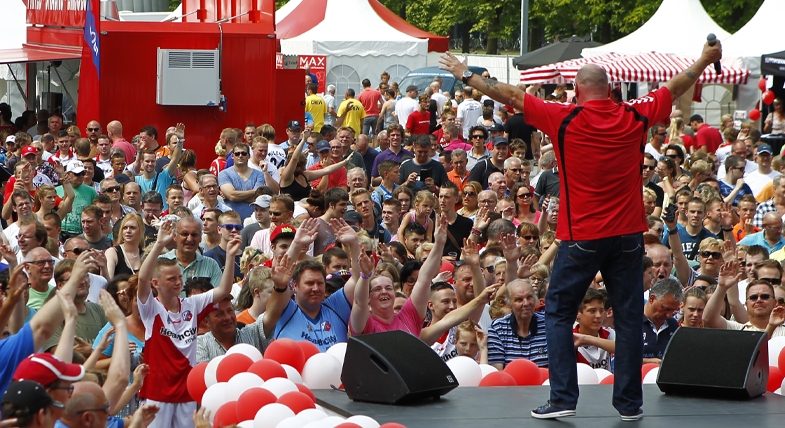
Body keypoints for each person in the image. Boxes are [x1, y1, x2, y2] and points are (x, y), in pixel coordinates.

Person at [441, 39, 722, 421]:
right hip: (627, 236)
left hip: (582, 236)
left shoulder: (566, 117)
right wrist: (704, 59)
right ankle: (629, 404)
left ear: (576, 92)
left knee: (557, 312)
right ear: (610, 90)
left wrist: (464, 73)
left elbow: (509, 93)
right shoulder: (634, 115)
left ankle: (562, 398)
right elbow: (674, 86)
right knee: (626, 317)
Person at [136, 219, 239, 428]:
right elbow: (142, 278)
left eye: (179, 278)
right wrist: (158, 245)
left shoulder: (192, 304)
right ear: (156, 283)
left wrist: (230, 256)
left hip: (186, 392)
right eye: (171, 279)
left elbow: (223, 290)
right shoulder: (150, 308)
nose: (178, 282)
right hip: (157, 393)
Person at [263, 218, 359, 351]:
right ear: (295, 286)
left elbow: (358, 280)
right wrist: (296, 244)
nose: (316, 288)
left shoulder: (336, 307)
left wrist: (354, 244)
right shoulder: (287, 310)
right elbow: (282, 275)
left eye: (320, 283)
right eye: (309, 283)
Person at [350, 215, 447, 335]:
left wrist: (439, 245)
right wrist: (365, 276)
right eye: (377, 289)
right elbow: (359, 303)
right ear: (369, 299)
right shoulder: (366, 324)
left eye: (389, 288)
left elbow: (424, 280)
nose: (384, 291)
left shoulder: (409, 316)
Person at [642, 279, 682, 364]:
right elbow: (620, 356)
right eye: (666, 309)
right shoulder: (631, 322)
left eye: (673, 311)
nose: (669, 315)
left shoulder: (673, 325)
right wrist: (648, 362)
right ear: (652, 299)